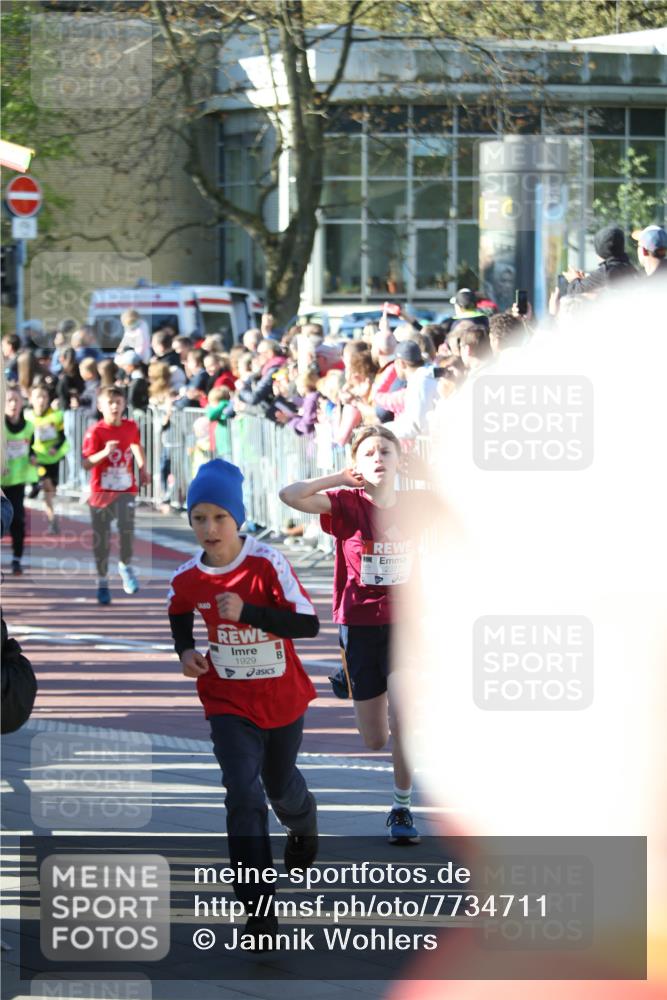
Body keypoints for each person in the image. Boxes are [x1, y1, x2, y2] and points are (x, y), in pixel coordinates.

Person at [167, 458, 320, 947]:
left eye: (219, 517)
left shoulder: (266, 562)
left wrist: (250, 611)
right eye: (198, 518)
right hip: (227, 698)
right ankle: (258, 908)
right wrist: (186, 650)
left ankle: (303, 821)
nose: (209, 529)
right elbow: (178, 611)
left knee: (279, 785)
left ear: (238, 518)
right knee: (242, 791)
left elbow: (309, 625)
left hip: (280, 695)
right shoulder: (189, 575)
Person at [279, 425, 422, 845]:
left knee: (405, 714)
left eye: (386, 452)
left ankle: (401, 807)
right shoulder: (345, 504)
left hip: (405, 625)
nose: (378, 458)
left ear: (399, 461)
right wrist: (337, 479)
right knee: (375, 738)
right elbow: (290, 495)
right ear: (357, 464)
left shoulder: (415, 505)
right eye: (369, 453)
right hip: (359, 625)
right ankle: (350, 677)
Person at [81, 385, 149, 604]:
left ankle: (125, 566)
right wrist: (104, 452)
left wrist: (142, 467)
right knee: (102, 541)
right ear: (100, 406)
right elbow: (85, 463)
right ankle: (102, 582)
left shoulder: (130, 426)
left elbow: (136, 444)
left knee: (127, 529)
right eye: (109, 403)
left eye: (118, 402)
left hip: (125, 490)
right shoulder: (95, 432)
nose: (114, 407)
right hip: (101, 494)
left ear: (124, 405)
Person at [2, 386, 39, 575]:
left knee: (17, 519)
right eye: (9, 400)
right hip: (0, 482)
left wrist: (33, 456)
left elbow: (31, 447)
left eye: (16, 400)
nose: (13, 404)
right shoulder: (0, 427)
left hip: (17, 480)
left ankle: (17, 559)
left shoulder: (29, 426)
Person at [25, 383, 69, 535]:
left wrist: (55, 448)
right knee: (46, 485)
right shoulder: (27, 417)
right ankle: (52, 520)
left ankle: (50, 514)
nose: (41, 400)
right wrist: (30, 454)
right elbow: (26, 440)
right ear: (31, 399)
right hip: (36, 460)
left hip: (52, 459)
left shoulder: (56, 416)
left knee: (51, 490)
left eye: (44, 397)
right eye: (38, 397)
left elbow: (63, 437)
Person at [564, 224, 636, 295]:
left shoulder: (607, 272)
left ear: (600, 249)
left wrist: (574, 279)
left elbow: (575, 291)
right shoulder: (631, 268)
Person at [389, 340, 438, 442]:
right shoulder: (423, 377)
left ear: (401, 363)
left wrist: (383, 431)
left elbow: (417, 427)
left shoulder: (421, 381)